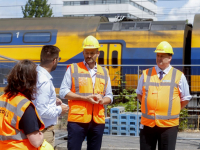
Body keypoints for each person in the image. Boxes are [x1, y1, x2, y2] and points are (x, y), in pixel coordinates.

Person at [59, 35, 113, 150]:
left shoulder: (104, 71)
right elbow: (63, 92)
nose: (89, 55)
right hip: (77, 121)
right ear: (83, 52)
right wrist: (84, 98)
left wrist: (102, 100)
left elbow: (110, 96)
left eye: (92, 53)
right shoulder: (73, 68)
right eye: (86, 52)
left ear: (98, 53)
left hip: (97, 121)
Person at [136, 41, 192, 150]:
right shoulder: (146, 74)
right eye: (157, 55)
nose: (159, 58)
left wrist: (173, 109)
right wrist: (150, 107)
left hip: (169, 125)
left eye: (162, 56)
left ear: (170, 58)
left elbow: (185, 98)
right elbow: (139, 94)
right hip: (148, 124)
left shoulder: (179, 76)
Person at [0, 59, 45, 149]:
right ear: (32, 81)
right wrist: (41, 136)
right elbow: (35, 142)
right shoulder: (25, 106)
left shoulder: (2, 99)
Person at [32, 45, 69, 147]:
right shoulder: (44, 81)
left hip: (36, 129)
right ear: (54, 60)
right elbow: (42, 111)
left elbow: (35, 101)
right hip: (43, 131)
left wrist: (52, 101)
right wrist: (60, 109)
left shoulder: (34, 74)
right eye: (58, 59)